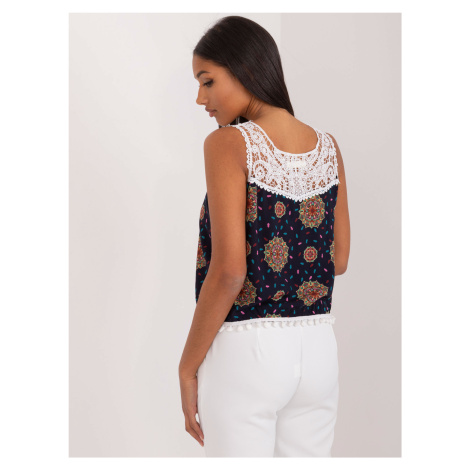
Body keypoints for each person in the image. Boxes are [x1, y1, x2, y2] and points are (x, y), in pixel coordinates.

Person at [179, 15, 351, 458]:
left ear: (246, 69)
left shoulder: (228, 144)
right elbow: (339, 259)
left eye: (208, 81)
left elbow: (229, 271)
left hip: (248, 350)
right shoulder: (328, 146)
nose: (201, 98)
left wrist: (188, 366)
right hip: (318, 348)